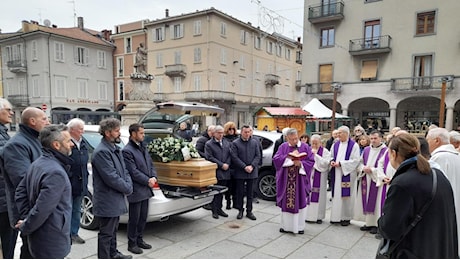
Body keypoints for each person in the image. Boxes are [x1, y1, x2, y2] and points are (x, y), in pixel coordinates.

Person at [378, 133, 458, 258]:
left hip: (412, 250)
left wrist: (381, 222)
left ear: (393, 153)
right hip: (438, 249)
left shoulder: (402, 183)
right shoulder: (438, 175)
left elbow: (390, 229)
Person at [15, 124, 74, 258]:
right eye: (68, 141)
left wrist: (27, 218)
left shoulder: (38, 163)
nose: (72, 144)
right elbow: (42, 209)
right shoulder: (55, 172)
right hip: (50, 239)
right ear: (56, 145)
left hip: (41, 236)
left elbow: (20, 192)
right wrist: (26, 224)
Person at [3, 107, 49, 258]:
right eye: (44, 119)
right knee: (31, 250)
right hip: (28, 209)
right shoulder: (17, 145)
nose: (47, 122)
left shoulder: (36, 140)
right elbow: (24, 181)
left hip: (38, 206)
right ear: (32, 121)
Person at [92, 118, 133, 259]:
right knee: (106, 232)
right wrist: (127, 188)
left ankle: (113, 253)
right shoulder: (102, 152)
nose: (119, 133)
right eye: (116, 131)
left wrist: (128, 185)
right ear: (108, 133)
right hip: (107, 198)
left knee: (113, 229)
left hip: (115, 197)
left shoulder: (115, 149)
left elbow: (124, 171)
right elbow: (111, 177)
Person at [122, 123, 156, 255]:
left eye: (143, 133)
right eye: (141, 133)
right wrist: (147, 180)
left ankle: (140, 239)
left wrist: (153, 176)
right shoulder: (127, 150)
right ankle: (132, 243)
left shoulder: (143, 147)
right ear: (133, 134)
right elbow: (133, 171)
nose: (143, 135)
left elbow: (150, 164)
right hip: (137, 189)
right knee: (134, 218)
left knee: (143, 217)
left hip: (146, 188)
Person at [426, 127, 460, 255]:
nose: (427, 143)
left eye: (428, 140)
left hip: (443, 210)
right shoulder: (457, 156)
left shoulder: (438, 159)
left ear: (437, 141)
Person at [273, 128, 314, 234]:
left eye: (296, 138)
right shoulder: (283, 146)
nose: (294, 141)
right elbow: (276, 159)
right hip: (287, 181)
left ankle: (299, 227)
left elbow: (311, 161)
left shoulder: (305, 147)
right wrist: (290, 160)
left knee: (300, 201)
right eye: (292, 139)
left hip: (300, 181)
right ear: (287, 138)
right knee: (287, 202)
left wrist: (300, 164)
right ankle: (285, 226)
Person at [354, 130, 387, 234]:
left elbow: (385, 167)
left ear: (381, 138)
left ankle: (376, 224)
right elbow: (359, 163)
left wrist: (372, 170)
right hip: (366, 178)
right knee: (365, 200)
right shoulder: (367, 149)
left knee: (376, 202)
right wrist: (363, 168)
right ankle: (368, 223)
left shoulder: (385, 151)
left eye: (375, 138)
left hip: (376, 180)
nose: (373, 140)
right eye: (371, 138)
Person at [329, 125, 360, 226]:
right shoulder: (335, 145)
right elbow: (331, 156)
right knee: (336, 195)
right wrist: (332, 162)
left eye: (340, 133)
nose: (338, 135)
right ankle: (335, 216)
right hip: (336, 173)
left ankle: (346, 217)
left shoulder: (354, 145)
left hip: (347, 174)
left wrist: (341, 164)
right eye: (337, 133)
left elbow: (356, 161)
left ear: (346, 134)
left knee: (346, 196)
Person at [231, 125, 261, 220]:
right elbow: (234, 157)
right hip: (240, 171)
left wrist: (252, 166)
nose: (247, 134)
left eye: (249, 132)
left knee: (250, 193)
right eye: (245, 132)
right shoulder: (235, 143)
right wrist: (244, 167)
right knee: (240, 192)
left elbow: (258, 156)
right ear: (241, 132)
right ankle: (240, 210)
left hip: (252, 171)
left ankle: (249, 211)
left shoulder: (254, 142)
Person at [67, 118, 89, 244]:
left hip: (81, 182)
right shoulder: (66, 142)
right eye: (80, 129)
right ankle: (66, 234)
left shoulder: (83, 142)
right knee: (67, 210)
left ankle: (74, 233)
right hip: (70, 182)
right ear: (72, 130)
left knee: (77, 210)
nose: (83, 131)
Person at [0, 99, 16, 259]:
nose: (11, 112)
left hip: (5, 198)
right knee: (8, 242)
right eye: (8, 109)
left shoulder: (3, 132)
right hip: (3, 200)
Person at [205, 125, 231, 219]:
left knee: (222, 191)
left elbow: (230, 154)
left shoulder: (226, 142)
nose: (221, 135)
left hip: (225, 171)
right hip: (215, 171)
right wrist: (221, 165)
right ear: (214, 133)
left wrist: (227, 163)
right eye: (219, 133)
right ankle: (214, 210)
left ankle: (220, 209)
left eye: (222, 133)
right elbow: (210, 157)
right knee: (215, 191)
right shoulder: (209, 144)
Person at [305, 134, 331, 224]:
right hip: (308, 177)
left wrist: (316, 156)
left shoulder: (325, 152)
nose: (314, 145)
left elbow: (325, 164)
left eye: (316, 143)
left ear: (320, 143)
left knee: (320, 197)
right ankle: (307, 215)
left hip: (320, 177)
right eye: (313, 143)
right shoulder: (307, 150)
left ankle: (318, 216)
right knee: (307, 195)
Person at [223, 121, 239, 209]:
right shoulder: (224, 139)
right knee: (228, 186)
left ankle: (235, 202)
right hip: (228, 165)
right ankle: (228, 202)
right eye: (229, 129)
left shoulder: (237, 138)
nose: (231, 131)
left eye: (233, 129)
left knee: (236, 186)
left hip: (236, 165)